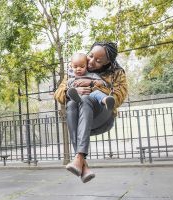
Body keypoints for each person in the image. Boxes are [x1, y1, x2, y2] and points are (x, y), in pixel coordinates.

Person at [54, 42, 128, 183]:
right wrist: (73, 93)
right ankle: (82, 164)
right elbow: (58, 93)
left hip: (103, 117)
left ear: (107, 63)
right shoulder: (77, 67)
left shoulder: (117, 73)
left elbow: (119, 97)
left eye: (98, 61)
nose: (92, 62)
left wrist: (92, 85)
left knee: (86, 99)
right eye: (91, 56)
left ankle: (80, 160)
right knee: (71, 103)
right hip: (82, 119)